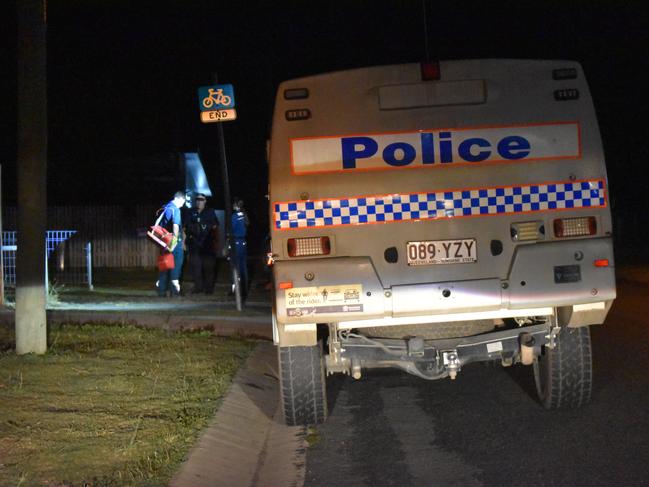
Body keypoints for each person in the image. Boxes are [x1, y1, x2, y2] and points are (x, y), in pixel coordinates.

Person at [185, 193, 220, 294]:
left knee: (208, 268)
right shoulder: (191, 211)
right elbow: (186, 225)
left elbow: (215, 225)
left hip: (207, 245)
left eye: (201, 199)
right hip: (194, 244)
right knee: (196, 268)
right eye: (197, 199)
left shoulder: (210, 212)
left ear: (205, 201)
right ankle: (198, 288)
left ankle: (209, 289)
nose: (199, 201)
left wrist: (205, 227)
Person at [156, 191, 186, 297]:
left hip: (163, 240)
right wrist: (174, 241)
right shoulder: (175, 209)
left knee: (164, 265)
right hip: (173, 242)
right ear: (179, 199)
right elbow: (176, 226)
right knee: (176, 265)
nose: (183, 204)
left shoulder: (165, 207)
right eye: (183, 201)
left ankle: (161, 291)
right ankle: (175, 291)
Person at [231, 198, 249, 294]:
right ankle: (244, 287)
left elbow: (231, 229)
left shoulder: (234, 216)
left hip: (236, 242)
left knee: (235, 265)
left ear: (236, 205)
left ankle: (236, 289)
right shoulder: (244, 215)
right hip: (243, 242)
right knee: (243, 266)